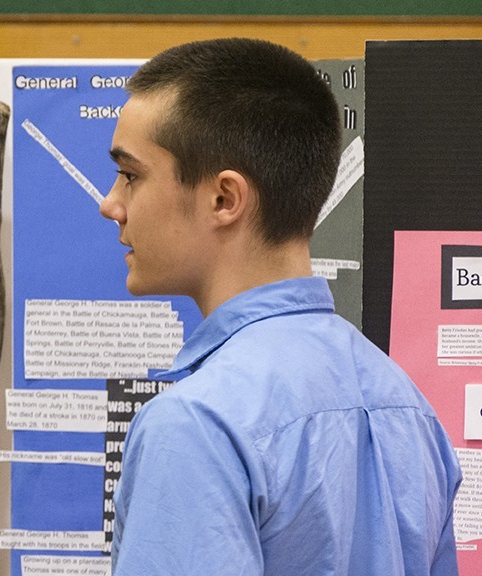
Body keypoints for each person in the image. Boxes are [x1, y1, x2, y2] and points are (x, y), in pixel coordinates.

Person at [100, 38, 460, 575]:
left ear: (224, 199)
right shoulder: (407, 407)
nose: (112, 203)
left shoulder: (197, 425)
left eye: (131, 175)